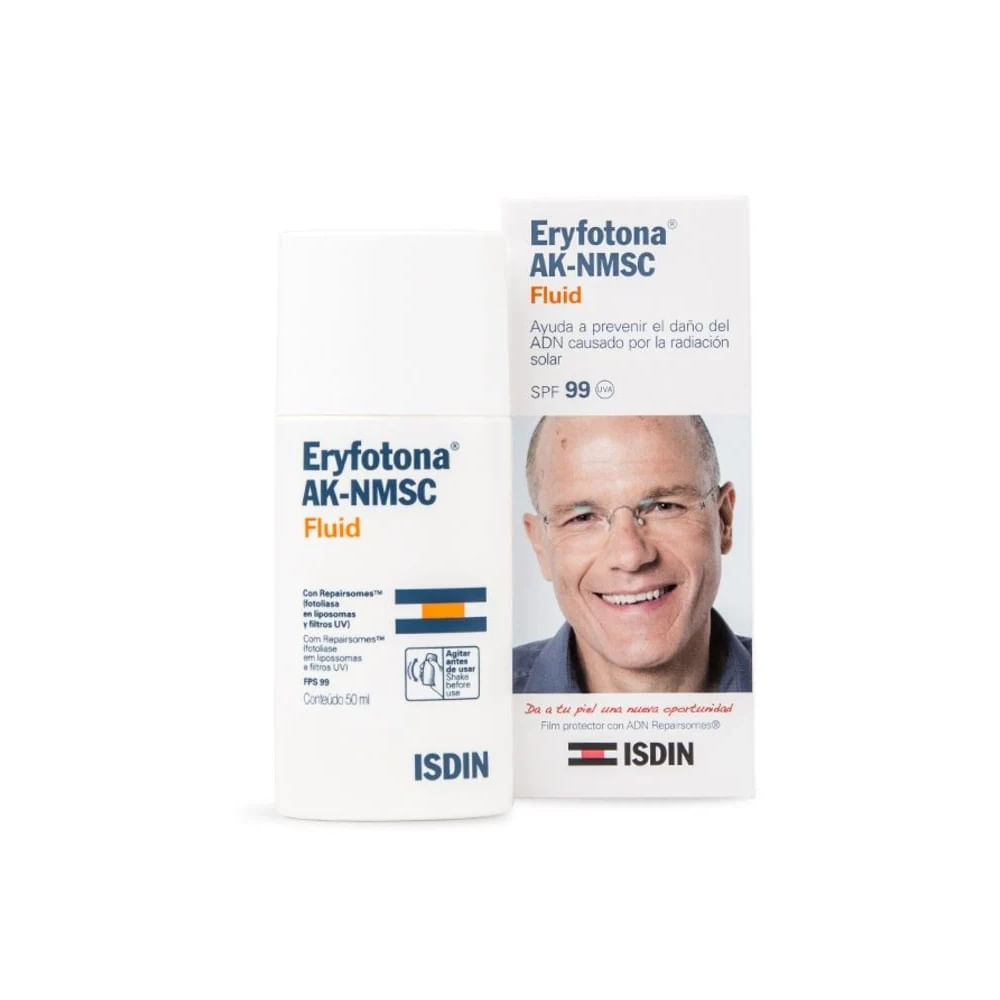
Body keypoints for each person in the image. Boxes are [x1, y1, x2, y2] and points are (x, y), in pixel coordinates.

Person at [514, 415, 751, 694]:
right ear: (540, 546)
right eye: (583, 517)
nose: (630, 557)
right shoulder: (481, 702)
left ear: (723, 521)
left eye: (664, 506)